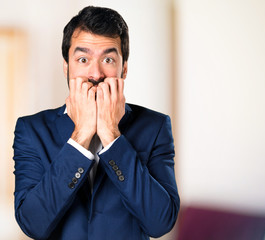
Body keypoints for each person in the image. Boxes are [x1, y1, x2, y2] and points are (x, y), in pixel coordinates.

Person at [13, 6, 179, 240]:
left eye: (108, 59)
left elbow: (160, 223)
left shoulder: (155, 127)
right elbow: (32, 223)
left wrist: (112, 135)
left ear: (124, 69)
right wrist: (81, 135)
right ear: (66, 67)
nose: (96, 73)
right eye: (83, 59)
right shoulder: (31, 130)